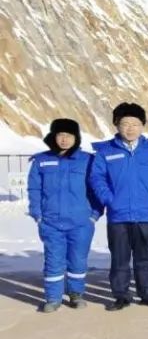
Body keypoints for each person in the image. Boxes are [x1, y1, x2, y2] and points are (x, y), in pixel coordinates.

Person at [90, 102, 148, 310]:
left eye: (135, 124)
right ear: (117, 125)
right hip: (118, 215)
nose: (130, 128)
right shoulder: (105, 151)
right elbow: (97, 178)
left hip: (145, 214)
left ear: (142, 126)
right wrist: (110, 200)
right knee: (120, 258)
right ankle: (121, 296)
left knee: (145, 258)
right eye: (125, 124)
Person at [27, 119, 102, 312]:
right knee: (54, 261)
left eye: (69, 135)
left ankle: (76, 295)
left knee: (78, 260)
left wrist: (94, 215)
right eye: (60, 135)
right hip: (51, 223)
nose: (64, 139)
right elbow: (34, 189)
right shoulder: (41, 161)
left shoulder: (88, 160)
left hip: (81, 223)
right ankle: (53, 298)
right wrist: (38, 215)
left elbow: (97, 188)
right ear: (53, 137)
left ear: (76, 138)